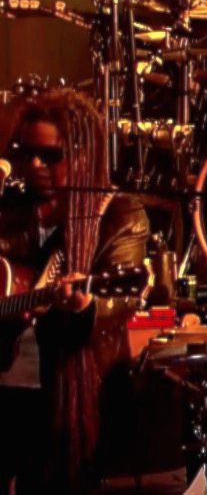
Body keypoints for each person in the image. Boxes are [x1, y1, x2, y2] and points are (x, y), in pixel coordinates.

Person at [0, 87, 150, 493]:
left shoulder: (119, 214)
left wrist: (84, 306)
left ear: (82, 156)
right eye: (28, 152)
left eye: (51, 156)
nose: (34, 165)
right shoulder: (9, 209)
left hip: (74, 403)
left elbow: (119, 303)